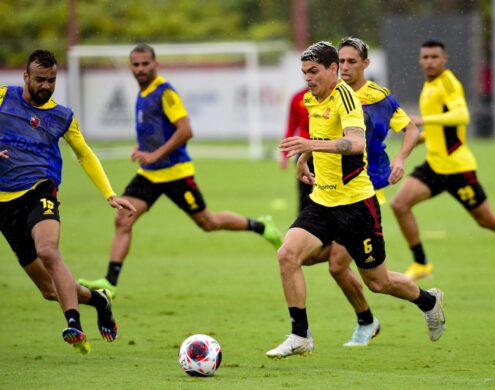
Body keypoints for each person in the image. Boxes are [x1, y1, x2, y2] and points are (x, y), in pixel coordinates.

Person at [265, 41, 445, 359]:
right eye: (304, 72)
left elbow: (356, 144)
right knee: (288, 255)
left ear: (333, 69)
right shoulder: (311, 98)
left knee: (379, 281)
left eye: (314, 71)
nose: (307, 78)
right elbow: (320, 137)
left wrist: (310, 145)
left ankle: (428, 301)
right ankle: (300, 335)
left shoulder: (347, 98)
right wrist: (305, 158)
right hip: (323, 200)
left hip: (357, 205)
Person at [78, 43, 282, 298]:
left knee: (208, 222)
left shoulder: (165, 92)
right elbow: (156, 130)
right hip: (149, 174)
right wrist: (144, 148)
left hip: (176, 174)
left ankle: (261, 226)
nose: (140, 69)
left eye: (145, 64)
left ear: (156, 65)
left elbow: (186, 130)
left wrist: (153, 153)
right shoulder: (142, 92)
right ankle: (110, 283)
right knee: (122, 218)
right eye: (136, 64)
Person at [0, 49, 136, 354]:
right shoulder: (2, 98)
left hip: (40, 190)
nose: (46, 86)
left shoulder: (62, 116)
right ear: (25, 77)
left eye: (51, 80)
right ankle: (99, 300)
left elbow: (84, 154)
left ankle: (73, 322)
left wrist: (110, 194)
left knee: (48, 250)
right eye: (39, 79)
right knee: (50, 291)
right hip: (4, 205)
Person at [390, 40, 495, 289]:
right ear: (420, 60)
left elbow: (462, 115)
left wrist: (422, 119)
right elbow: (439, 131)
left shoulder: (448, 83)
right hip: (434, 165)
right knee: (399, 204)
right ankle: (421, 262)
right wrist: (414, 142)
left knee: (488, 220)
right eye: (426, 57)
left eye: (435, 56)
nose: (430, 61)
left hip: (458, 169)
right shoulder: (429, 85)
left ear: (445, 59)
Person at [304, 37, 421, 348]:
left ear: (365, 64)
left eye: (351, 62)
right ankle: (369, 319)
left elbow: (411, 128)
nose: (344, 67)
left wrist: (400, 158)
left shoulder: (378, 98)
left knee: (341, 266)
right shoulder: (326, 95)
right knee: (317, 259)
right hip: (332, 193)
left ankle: (367, 321)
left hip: (364, 192)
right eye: (340, 62)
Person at [279, 86, 313, 212]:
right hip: (304, 152)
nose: (310, 77)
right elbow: (291, 125)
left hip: (328, 151)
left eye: (314, 71)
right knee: (304, 192)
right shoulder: (298, 98)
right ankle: (303, 224)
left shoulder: (335, 96)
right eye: (306, 72)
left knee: (330, 190)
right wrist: (284, 154)